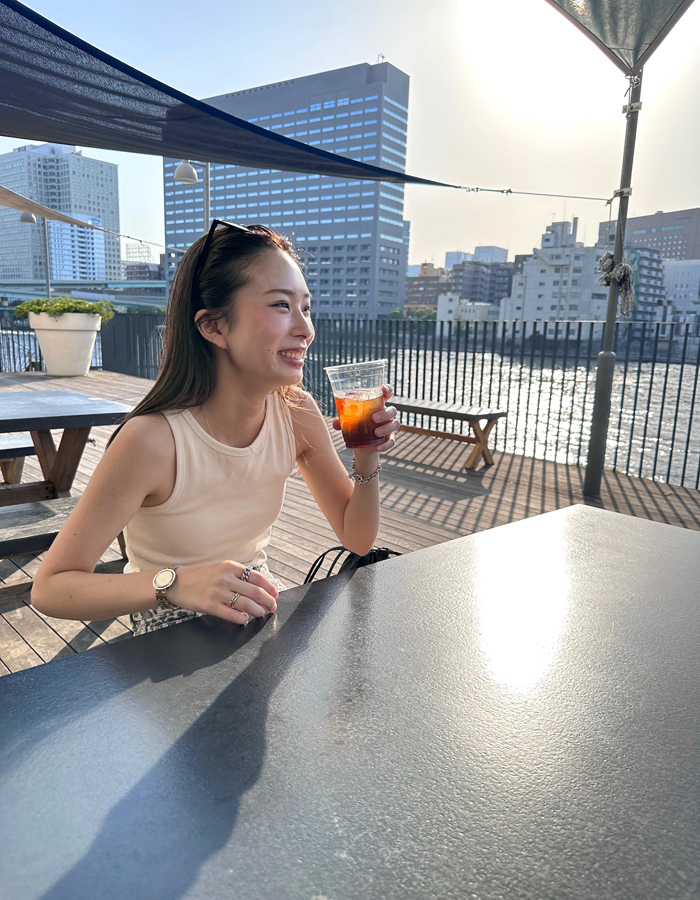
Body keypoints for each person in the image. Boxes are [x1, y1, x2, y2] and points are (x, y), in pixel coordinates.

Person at [31, 222, 399, 635]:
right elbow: (51, 588)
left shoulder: (297, 413)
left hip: (260, 607)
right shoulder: (152, 440)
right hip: (168, 628)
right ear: (213, 327)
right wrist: (177, 582)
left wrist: (366, 455)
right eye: (281, 305)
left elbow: (357, 539)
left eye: (306, 308)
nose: (305, 329)